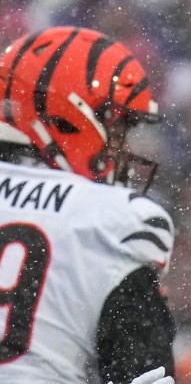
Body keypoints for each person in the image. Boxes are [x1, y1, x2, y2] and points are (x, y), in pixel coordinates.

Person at [0, 26, 176, 384]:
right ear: (67, 118)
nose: (122, 151)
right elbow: (140, 369)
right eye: (117, 132)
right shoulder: (112, 220)